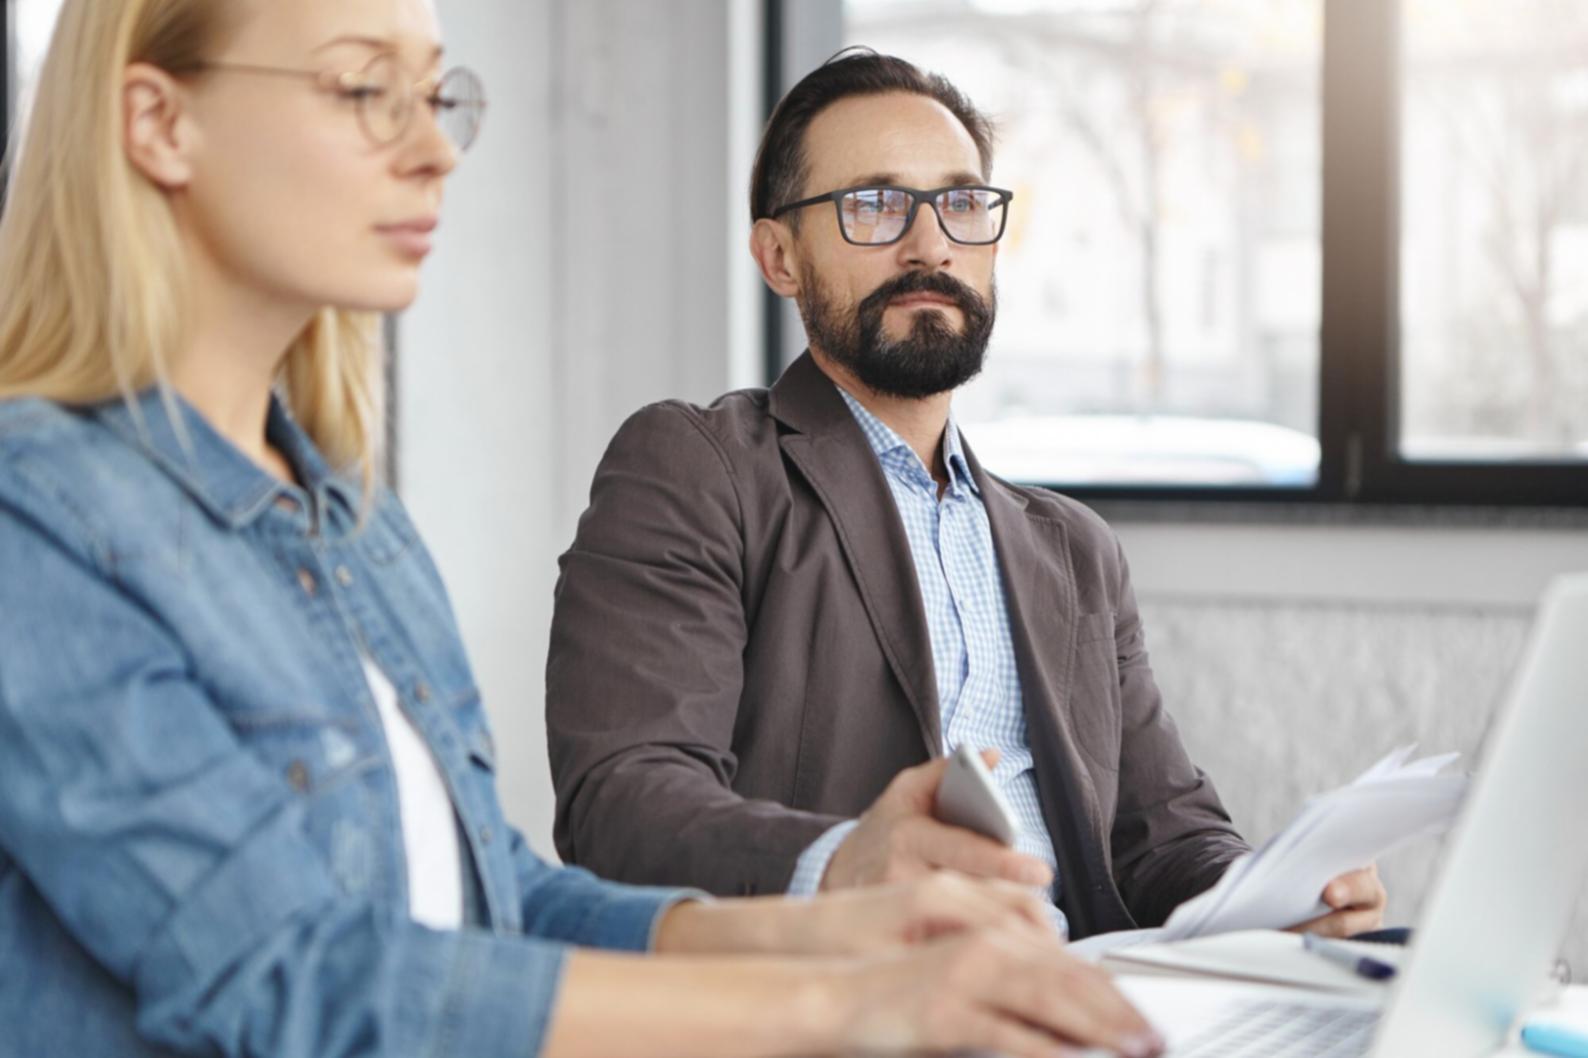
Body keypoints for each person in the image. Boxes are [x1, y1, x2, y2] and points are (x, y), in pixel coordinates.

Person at [0, 4, 1167, 1057]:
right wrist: (848, 1001)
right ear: (159, 124)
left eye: (439, 96)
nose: (434, 147)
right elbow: (288, 972)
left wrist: (846, 907)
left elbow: (492, 895)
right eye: (365, 90)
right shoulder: (36, 520)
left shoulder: (351, 521)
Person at [546, 49, 1387, 941]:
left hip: (1079, 995)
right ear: (779, 256)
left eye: (960, 202)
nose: (931, 243)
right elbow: (623, 803)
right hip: (847, 1002)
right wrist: (839, 865)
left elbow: (1162, 838)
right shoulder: (698, 467)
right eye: (872, 204)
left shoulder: (1074, 549)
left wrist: (1276, 899)